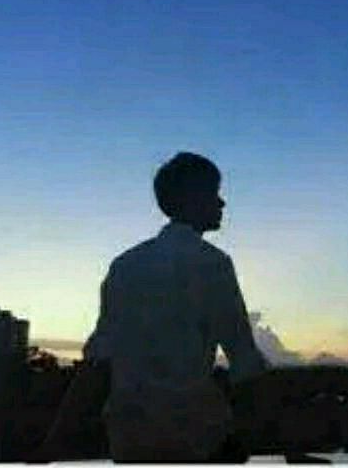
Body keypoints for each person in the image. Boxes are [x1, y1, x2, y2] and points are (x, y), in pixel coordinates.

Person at [38, 152, 269, 462]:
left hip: (129, 442)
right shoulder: (213, 264)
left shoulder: (124, 266)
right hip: (196, 439)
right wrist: (289, 444)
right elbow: (245, 362)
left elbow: (96, 366)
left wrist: (50, 447)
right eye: (214, 193)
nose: (222, 203)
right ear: (193, 198)